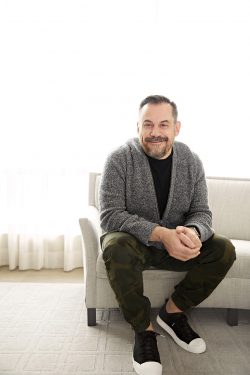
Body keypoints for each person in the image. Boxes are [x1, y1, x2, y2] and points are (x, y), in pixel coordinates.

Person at [99, 95, 236, 375]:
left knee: (223, 248)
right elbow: (110, 215)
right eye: (147, 124)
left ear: (177, 128)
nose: (155, 132)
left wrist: (194, 233)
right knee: (114, 244)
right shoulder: (118, 159)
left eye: (164, 124)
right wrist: (160, 233)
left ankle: (171, 313)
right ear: (137, 127)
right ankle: (143, 330)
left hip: (179, 247)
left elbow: (202, 212)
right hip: (136, 246)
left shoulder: (191, 161)